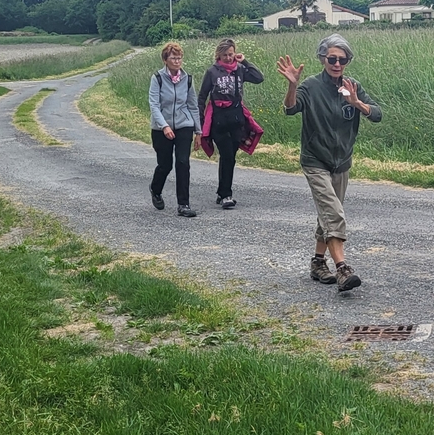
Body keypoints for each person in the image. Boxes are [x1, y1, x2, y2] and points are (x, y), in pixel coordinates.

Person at [276, 34, 382, 295]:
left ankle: (317, 262)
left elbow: (377, 114)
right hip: (315, 160)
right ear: (322, 59)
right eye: (332, 59)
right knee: (334, 213)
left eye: (342, 60)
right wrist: (292, 86)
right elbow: (290, 108)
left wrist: (357, 103)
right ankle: (342, 268)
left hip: (341, 162)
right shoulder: (311, 86)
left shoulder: (351, 86)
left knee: (328, 213)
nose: (337, 64)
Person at [197, 38, 263, 209]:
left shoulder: (239, 69)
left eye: (231, 54)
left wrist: (245, 61)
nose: (228, 58)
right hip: (218, 119)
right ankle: (226, 194)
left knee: (230, 158)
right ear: (218, 55)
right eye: (225, 55)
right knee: (226, 155)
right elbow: (202, 96)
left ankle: (222, 193)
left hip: (236, 118)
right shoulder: (212, 72)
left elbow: (258, 78)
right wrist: (200, 121)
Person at [148, 41, 200, 217]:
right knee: (165, 165)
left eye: (179, 58)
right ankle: (155, 189)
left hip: (184, 124)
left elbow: (193, 106)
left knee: (183, 163)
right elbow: (154, 105)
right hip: (161, 127)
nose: (177, 61)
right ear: (165, 60)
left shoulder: (188, 79)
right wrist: (164, 126)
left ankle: (183, 204)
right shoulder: (157, 78)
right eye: (173, 58)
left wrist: (198, 131)